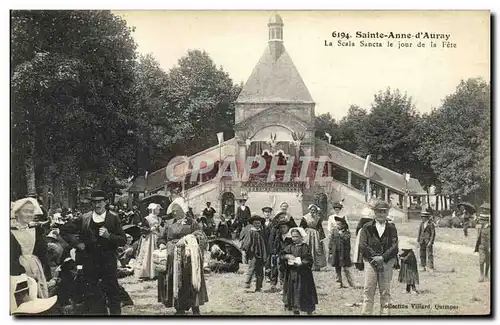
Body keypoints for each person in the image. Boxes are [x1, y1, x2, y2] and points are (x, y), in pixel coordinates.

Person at [60, 190, 127, 315]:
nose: (97, 205)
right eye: (95, 202)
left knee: (112, 291)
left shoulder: (113, 218)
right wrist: (78, 244)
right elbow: (64, 231)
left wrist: (109, 236)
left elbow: (123, 240)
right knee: (92, 292)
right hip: (89, 260)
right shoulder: (84, 218)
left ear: (105, 202)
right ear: (92, 204)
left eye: (100, 202)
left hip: (108, 261)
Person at [157, 198, 208, 315]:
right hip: (172, 258)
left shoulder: (192, 222)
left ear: (183, 210)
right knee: (175, 281)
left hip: (188, 257)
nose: (174, 212)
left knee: (190, 280)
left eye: (177, 209)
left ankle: (195, 307)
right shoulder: (169, 223)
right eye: (173, 210)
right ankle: (179, 308)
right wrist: (161, 243)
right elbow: (162, 237)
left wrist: (187, 240)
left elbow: (200, 236)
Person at [359, 200, 399, 315]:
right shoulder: (367, 227)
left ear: (387, 213)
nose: (381, 214)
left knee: (385, 291)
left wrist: (383, 257)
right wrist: (374, 257)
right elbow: (363, 245)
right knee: (368, 290)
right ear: (374, 212)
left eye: (384, 212)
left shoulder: (392, 228)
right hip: (370, 262)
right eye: (378, 212)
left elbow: (394, 246)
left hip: (386, 263)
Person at [10, 197, 51, 298]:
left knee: (37, 292)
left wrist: (47, 272)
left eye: (31, 212)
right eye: (25, 211)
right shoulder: (9, 231)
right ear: (16, 213)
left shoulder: (36, 229)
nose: (29, 214)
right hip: (16, 268)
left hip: (35, 266)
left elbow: (42, 253)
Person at [281, 227, 318, 315]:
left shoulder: (305, 247)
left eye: (296, 237)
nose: (294, 239)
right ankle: (295, 312)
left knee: (304, 292)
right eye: (293, 237)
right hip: (292, 274)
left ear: (301, 237)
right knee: (293, 293)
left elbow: (309, 259)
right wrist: (287, 256)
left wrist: (301, 263)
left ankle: (309, 312)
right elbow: (282, 255)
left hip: (303, 275)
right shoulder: (290, 246)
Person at [134, 203, 163, 280]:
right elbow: (142, 229)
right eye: (157, 209)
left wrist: (159, 228)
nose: (159, 210)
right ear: (153, 209)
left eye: (159, 209)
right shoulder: (147, 218)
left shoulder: (159, 219)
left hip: (157, 237)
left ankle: (156, 272)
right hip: (149, 238)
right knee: (147, 253)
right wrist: (150, 229)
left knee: (156, 253)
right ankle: (146, 272)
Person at [241, 215, 268, 292]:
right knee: (251, 268)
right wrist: (245, 251)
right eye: (255, 223)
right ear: (252, 223)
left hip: (261, 254)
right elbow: (247, 243)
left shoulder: (262, 232)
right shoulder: (251, 232)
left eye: (259, 223)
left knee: (260, 270)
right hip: (253, 254)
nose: (257, 225)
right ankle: (247, 284)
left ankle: (258, 287)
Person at [266, 218, 293, 293]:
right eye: (281, 227)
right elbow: (276, 246)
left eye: (284, 227)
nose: (282, 229)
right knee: (275, 268)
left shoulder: (290, 237)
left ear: (288, 227)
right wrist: (275, 252)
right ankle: (274, 284)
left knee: (285, 271)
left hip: (288, 256)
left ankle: (284, 286)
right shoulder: (279, 236)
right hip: (279, 255)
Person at [328, 216, 356, 288]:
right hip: (336, 253)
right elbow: (331, 242)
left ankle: (351, 283)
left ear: (343, 225)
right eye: (336, 224)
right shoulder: (334, 231)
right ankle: (339, 282)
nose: (337, 226)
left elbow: (346, 239)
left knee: (346, 268)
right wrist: (330, 252)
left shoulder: (347, 233)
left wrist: (341, 234)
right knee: (337, 268)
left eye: (339, 224)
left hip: (344, 254)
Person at [299, 204, 327, 271]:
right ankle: (307, 265)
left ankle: (316, 266)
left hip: (315, 234)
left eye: (314, 210)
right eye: (311, 210)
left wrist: (321, 237)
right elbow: (301, 227)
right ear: (309, 210)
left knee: (316, 249)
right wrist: (301, 235)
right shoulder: (305, 217)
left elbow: (320, 227)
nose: (312, 211)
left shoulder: (318, 218)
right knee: (307, 248)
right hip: (307, 234)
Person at [353, 207, 374, 271]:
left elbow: (358, 228)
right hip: (369, 234)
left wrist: (357, 234)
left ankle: (360, 263)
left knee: (360, 247)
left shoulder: (362, 220)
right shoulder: (372, 220)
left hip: (362, 233)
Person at [474, 203, 491, 282]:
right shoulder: (480, 227)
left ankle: (486, 274)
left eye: (483, 221)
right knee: (481, 260)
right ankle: (481, 275)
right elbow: (478, 235)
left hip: (489, 246)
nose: (482, 222)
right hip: (481, 246)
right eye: (481, 221)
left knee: (488, 261)